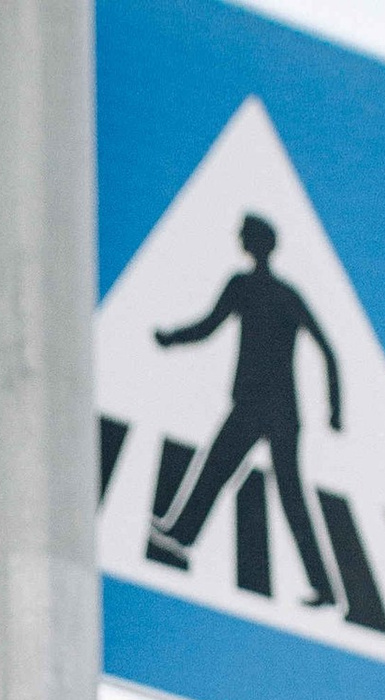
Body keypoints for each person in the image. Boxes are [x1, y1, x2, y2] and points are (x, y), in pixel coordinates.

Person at [149, 209, 341, 604]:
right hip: (277, 409)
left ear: (254, 243)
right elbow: (327, 352)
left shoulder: (252, 288)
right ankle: (183, 534)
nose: (239, 239)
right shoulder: (280, 293)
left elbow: (207, 327)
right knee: (229, 472)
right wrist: (333, 409)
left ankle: (184, 534)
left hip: (261, 406)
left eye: (244, 235)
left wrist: (171, 339)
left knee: (241, 477)